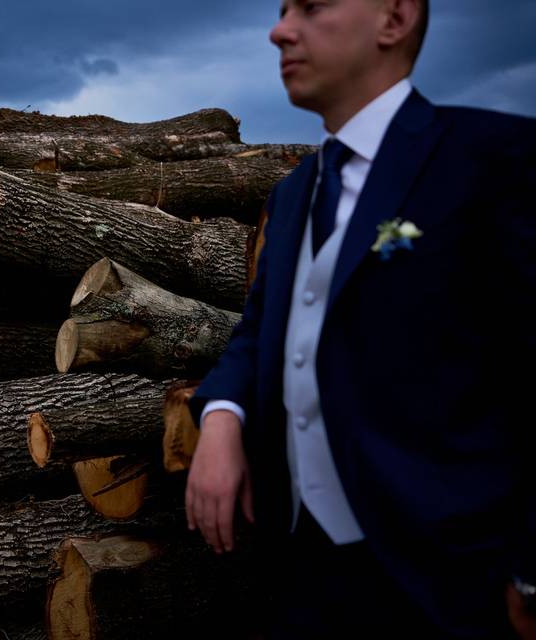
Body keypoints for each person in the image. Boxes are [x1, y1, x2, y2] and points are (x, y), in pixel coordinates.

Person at [185, 0, 536, 637]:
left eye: (311, 8)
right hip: (306, 573)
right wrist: (221, 417)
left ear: (395, 20)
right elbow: (260, 332)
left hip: (455, 578)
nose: (279, 29)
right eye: (282, 10)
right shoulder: (293, 194)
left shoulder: (494, 158)